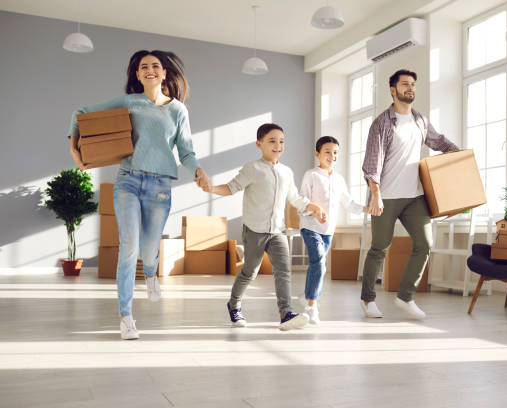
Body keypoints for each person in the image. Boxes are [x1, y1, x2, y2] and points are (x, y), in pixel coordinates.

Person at [67, 50, 211, 340]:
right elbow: (80, 114)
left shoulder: (178, 111)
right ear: (137, 74)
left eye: (155, 66)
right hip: (128, 182)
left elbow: (186, 152)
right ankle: (126, 317)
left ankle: (151, 273)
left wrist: (198, 171)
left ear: (164, 73)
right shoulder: (129, 102)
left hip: (160, 186)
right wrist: (75, 150)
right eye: (143, 66)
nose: (150, 70)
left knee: (148, 250)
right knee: (128, 248)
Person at [202, 123, 326, 330]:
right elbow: (231, 188)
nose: (278, 145)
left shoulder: (286, 172)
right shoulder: (253, 168)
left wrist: (313, 207)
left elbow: (294, 197)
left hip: (277, 231)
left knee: (283, 271)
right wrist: (211, 188)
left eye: (281, 141)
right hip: (254, 230)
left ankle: (286, 313)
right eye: (272, 141)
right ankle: (234, 304)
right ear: (259, 144)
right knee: (250, 272)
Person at [360, 69, 459, 319]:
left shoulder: (420, 121)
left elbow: (439, 142)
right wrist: (375, 194)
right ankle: (368, 299)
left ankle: (405, 296)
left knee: (425, 244)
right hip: (386, 196)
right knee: (380, 247)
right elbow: (372, 164)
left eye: (413, 84)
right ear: (392, 90)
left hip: (415, 196)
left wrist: (461, 156)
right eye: (405, 84)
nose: (410, 88)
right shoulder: (382, 124)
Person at [298, 136, 365, 324]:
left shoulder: (339, 179)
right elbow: (302, 202)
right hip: (310, 227)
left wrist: (367, 208)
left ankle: (307, 295)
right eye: (327, 152)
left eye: (335, 152)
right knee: (319, 262)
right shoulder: (311, 175)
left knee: (317, 264)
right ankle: (312, 306)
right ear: (317, 154)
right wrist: (315, 211)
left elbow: (349, 203)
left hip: (328, 230)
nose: (332, 156)